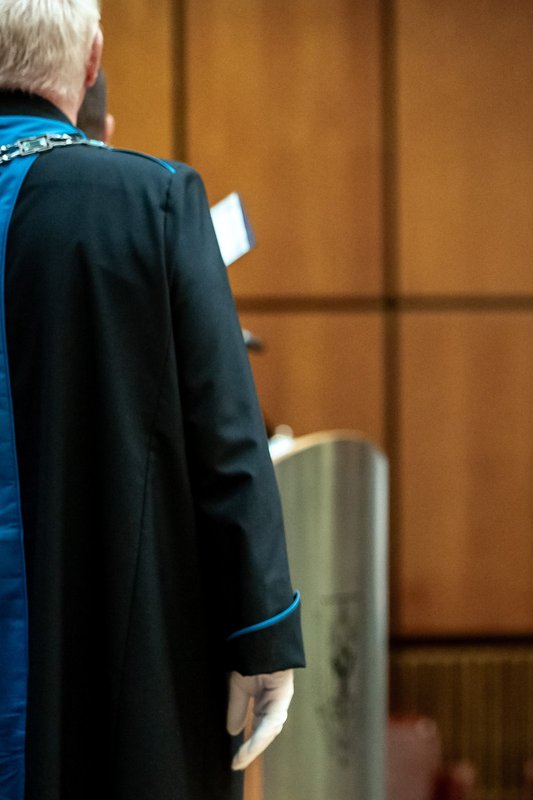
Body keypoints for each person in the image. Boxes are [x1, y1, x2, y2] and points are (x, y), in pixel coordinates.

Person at [0, 2, 303, 798]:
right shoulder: (153, 201)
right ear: (92, 60)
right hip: (116, 663)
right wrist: (264, 631)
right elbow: (225, 436)